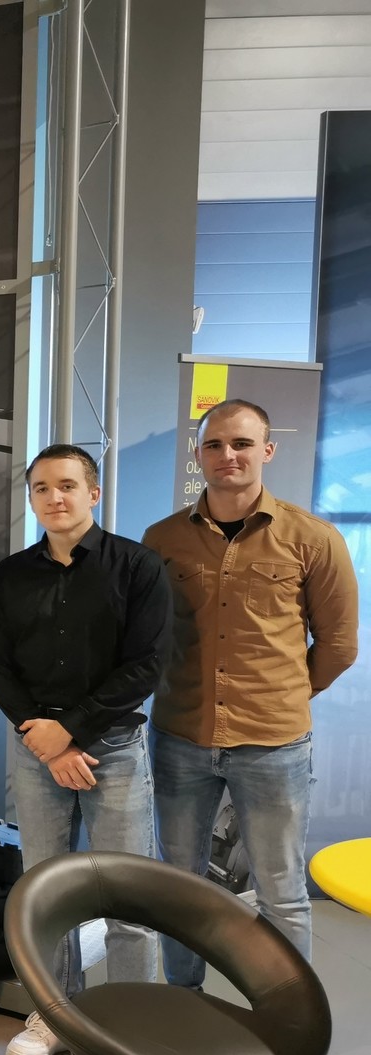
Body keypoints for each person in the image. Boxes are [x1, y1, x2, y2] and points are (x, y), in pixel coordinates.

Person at [144, 399, 358, 1002]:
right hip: (181, 737)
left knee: (281, 890)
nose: (228, 455)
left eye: (241, 443)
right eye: (214, 445)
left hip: (274, 745)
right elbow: (147, 633)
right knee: (179, 885)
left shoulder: (313, 538)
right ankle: (182, 1000)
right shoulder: (162, 539)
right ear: (199, 454)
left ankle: (289, 1018)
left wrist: (284, 692)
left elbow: (339, 644)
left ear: (267, 450)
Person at [0, 444, 170, 1055]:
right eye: (41, 488)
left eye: (66, 485)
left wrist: (73, 731)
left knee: (126, 897)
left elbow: (146, 665)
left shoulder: (138, 566)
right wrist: (43, 737)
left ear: (93, 493)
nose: (54, 497)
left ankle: (132, 1033)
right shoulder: (11, 575)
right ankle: (54, 1016)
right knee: (47, 893)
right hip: (37, 751)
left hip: (112, 749)